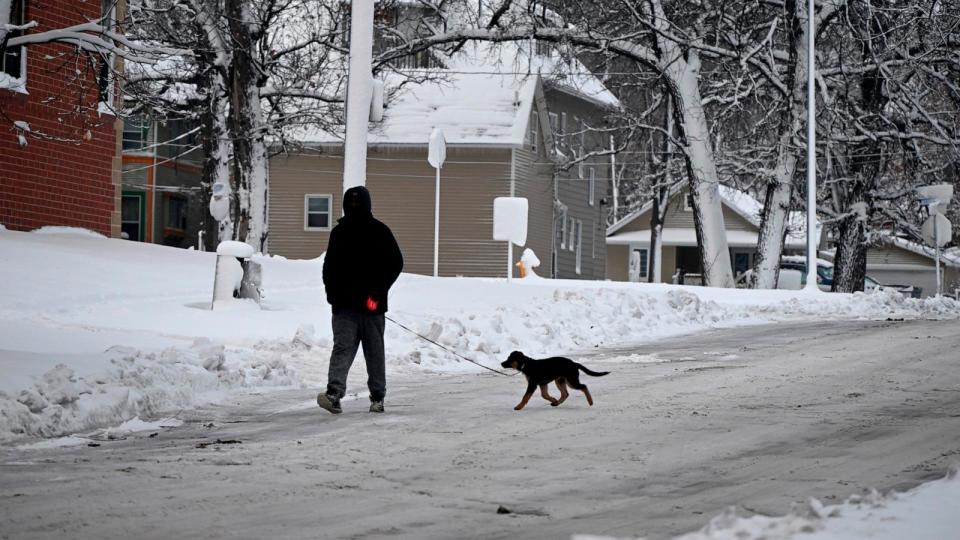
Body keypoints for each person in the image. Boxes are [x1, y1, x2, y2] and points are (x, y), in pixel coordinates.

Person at [317, 186, 403, 414]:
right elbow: (330, 267)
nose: (354, 206)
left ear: (366, 204)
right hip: (344, 306)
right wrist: (332, 293)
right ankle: (334, 393)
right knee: (342, 348)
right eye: (350, 202)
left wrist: (377, 292)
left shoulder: (380, 231)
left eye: (358, 202)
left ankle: (377, 396)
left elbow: (395, 263)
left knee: (374, 352)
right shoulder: (339, 233)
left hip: (372, 307)